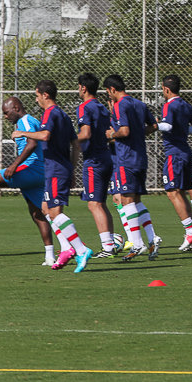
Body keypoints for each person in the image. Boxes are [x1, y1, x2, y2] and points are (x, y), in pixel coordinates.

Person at [13, 80, 94, 273]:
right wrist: (72, 169)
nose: (36, 99)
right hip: (59, 169)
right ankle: (66, 248)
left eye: (37, 95)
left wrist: (22, 133)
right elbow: (75, 144)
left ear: (45, 95)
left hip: (56, 169)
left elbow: (45, 136)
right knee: (46, 209)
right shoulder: (64, 115)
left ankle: (82, 250)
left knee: (55, 213)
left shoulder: (51, 113)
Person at [0, 96, 54, 265]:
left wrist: (14, 165)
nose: (6, 117)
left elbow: (32, 144)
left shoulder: (26, 121)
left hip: (31, 169)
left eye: (6, 113)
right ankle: (51, 255)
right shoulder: (26, 122)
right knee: (39, 214)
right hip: (37, 173)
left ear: (15, 107)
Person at [104, 74, 162, 262]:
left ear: (112, 89)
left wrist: (111, 134)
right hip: (140, 157)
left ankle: (137, 244)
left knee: (125, 200)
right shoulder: (139, 103)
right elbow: (153, 126)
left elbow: (124, 131)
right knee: (135, 200)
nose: (109, 96)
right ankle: (152, 237)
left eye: (108, 92)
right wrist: (138, 133)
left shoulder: (121, 104)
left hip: (126, 158)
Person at [154, 75, 192, 252]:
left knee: (172, 192)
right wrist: (182, 130)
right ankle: (190, 235)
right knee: (181, 192)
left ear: (166, 89)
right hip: (186, 152)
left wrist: (154, 125)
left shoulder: (169, 105)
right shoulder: (185, 104)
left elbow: (167, 126)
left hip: (174, 154)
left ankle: (190, 230)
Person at [75, 73, 119, 258]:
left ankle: (107, 247)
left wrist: (64, 139)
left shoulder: (84, 107)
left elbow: (85, 133)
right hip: (106, 157)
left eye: (78, 87)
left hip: (94, 160)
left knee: (93, 204)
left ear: (83, 88)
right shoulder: (101, 107)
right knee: (100, 203)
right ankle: (110, 243)